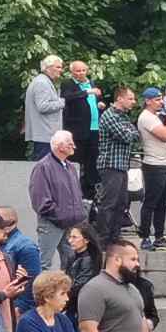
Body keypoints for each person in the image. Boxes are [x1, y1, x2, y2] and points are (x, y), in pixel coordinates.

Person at [29, 129, 87, 268]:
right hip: (51, 224)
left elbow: (77, 195)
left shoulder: (71, 167)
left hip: (71, 224)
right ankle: (41, 284)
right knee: (44, 263)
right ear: (59, 146)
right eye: (69, 143)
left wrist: (79, 215)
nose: (74, 146)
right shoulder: (42, 167)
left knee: (71, 261)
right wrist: (60, 216)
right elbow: (40, 200)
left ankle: (66, 283)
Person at [136, 86, 166, 251]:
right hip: (154, 165)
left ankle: (159, 236)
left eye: (162, 99)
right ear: (148, 101)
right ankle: (145, 237)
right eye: (157, 99)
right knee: (151, 202)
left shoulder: (159, 116)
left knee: (163, 203)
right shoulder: (146, 117)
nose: (161, 102)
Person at [95, 86, 140, 244]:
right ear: (119, 99)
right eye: (130, 98)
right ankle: (103, 239)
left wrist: (131, 133)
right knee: (109, 203)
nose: (133, 102)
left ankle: (115, 237)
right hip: (110, 165)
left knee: (121, 203)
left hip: (122, 166)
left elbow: (136, 134)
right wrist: (130, 133)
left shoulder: (124, 117)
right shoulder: (109, 115)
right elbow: (126, 136)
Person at [59, 61, 103, 196]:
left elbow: (93, 101)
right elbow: (67, 97)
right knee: (76, 160)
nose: (81, 73)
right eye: (78, 71)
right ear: (72, 72)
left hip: (94, 128)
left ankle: (90, 193)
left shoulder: (91, 83)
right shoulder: (68, 83)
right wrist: (87, 92)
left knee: (92, 160)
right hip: (77, 130)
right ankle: (74, 190)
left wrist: (99, 105)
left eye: (83, 70)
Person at [23, 56, 66, 161]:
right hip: (44, 134)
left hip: (45, 133)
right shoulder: (42, 83)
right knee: (44, 165)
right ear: (48, 68)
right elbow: (43, 106)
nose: (61, 70)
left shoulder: (44, 81)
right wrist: (62, 102)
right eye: (58, 67)